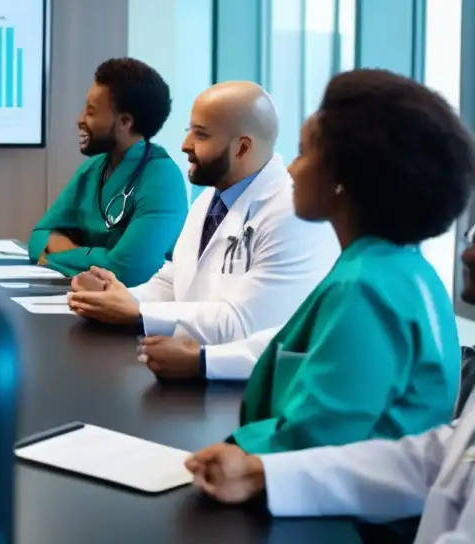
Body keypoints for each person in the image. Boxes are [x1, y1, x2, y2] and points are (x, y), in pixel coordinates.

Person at [194, 69, 471, 456]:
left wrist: (229, 454)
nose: (291, 169)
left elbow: (312, 442)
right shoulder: (404, 268)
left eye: (304, 153)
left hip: (336, 509)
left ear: (344, 176)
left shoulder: (364, 288)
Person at [185, 232, 475, 542]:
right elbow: (435, 459)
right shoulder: (391, 268)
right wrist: (261, 473)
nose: (467, 254)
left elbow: (323, 433)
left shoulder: (368, 282)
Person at [67, 82, 340, 360]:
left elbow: (245, 324)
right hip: (193, 369)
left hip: (246, 385)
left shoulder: (294, 215)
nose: (185, 145)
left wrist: (137, 312)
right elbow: (175, 282)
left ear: (242, 149)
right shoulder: (208, 200)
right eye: (190, 131)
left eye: (201, 135)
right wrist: (118, 297)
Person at [27, 58, 187, 285]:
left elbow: (127, 271)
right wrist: (100, 259)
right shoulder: (93, 169)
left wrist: (59, 253)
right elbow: (39, 237)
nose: (80, 119)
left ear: (124, 122)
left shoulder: (163, 181)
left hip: (135, 314)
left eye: (91, 112)